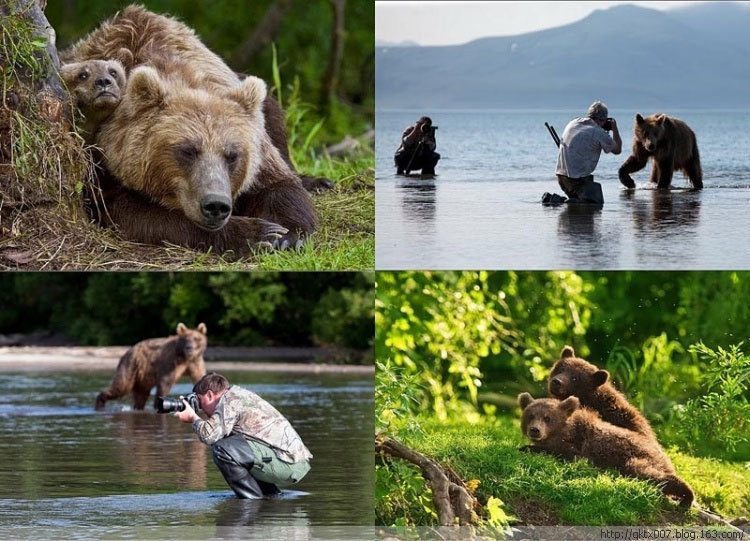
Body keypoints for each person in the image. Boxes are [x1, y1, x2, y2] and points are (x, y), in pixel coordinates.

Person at [175, 372, 312, 498]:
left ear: (210, 395)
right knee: (232, 446)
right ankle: (270, 498)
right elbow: (217, 434)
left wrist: (193, 418)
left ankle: (251, 502)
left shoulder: (230, 400)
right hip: (290, 461)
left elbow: (208, 435)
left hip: (288, 463)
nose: (200, 408)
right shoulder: (236, 395)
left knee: (222, 449)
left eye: (199, 401)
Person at [553, 101, 622, 204]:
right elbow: (617, 150)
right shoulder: (598, 132)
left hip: (561, 177)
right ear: (603, 119)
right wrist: (614, 128)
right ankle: (566, 201)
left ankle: (564, 201)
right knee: (595, 205)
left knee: (579, 209)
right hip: (575, 180)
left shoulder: (574, 122)